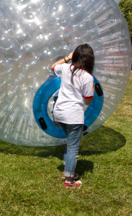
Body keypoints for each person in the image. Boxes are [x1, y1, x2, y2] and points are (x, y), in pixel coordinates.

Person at [51, 44, 95, 188]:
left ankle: (67, 171)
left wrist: (67, 58)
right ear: (90, 60)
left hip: (58, 113)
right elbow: (88, 100)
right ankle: (69, 180)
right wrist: (92, 90)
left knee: (70, 144)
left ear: (75, 56)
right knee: (73, 148)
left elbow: (53, 67)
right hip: (73, 115)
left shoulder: (66, 68)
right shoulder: (87, 77)